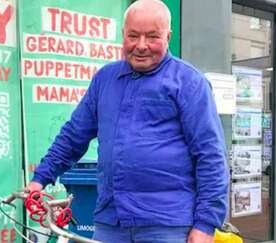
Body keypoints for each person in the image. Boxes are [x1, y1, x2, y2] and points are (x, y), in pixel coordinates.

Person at [27, 0, 229, 242]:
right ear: (123, 35)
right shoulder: (105, 79)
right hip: (111, 220)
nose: (141, 46)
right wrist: (40, 179)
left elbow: (211, 155)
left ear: (168, 36)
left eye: (152, 36)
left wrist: (206, 224)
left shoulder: (189, 82)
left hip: (167, 224)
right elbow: (73, 136)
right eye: (133, 36)